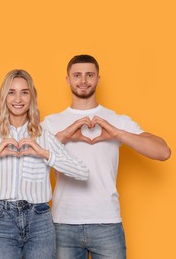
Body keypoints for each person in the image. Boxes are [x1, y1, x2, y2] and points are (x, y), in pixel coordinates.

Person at [0, 69, 90, 259]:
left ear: (31, 97)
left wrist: (44, 153)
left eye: (24, 92)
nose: (18, 99)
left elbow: (83, 172)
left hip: (40, 218)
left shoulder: (43, 135)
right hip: (2, 218)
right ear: (4, 97)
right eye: (12, 92)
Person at [43, 54, 171, 259]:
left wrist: (117, 133)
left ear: (98, 79)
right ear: (68, 80)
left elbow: (163, 152)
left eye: (89, 75)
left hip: (107, 223)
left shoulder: (116, 120)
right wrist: (65, 135)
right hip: (63, 224)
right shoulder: (51, 123)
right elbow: (30, 161)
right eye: (77, 75)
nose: (83, 81)